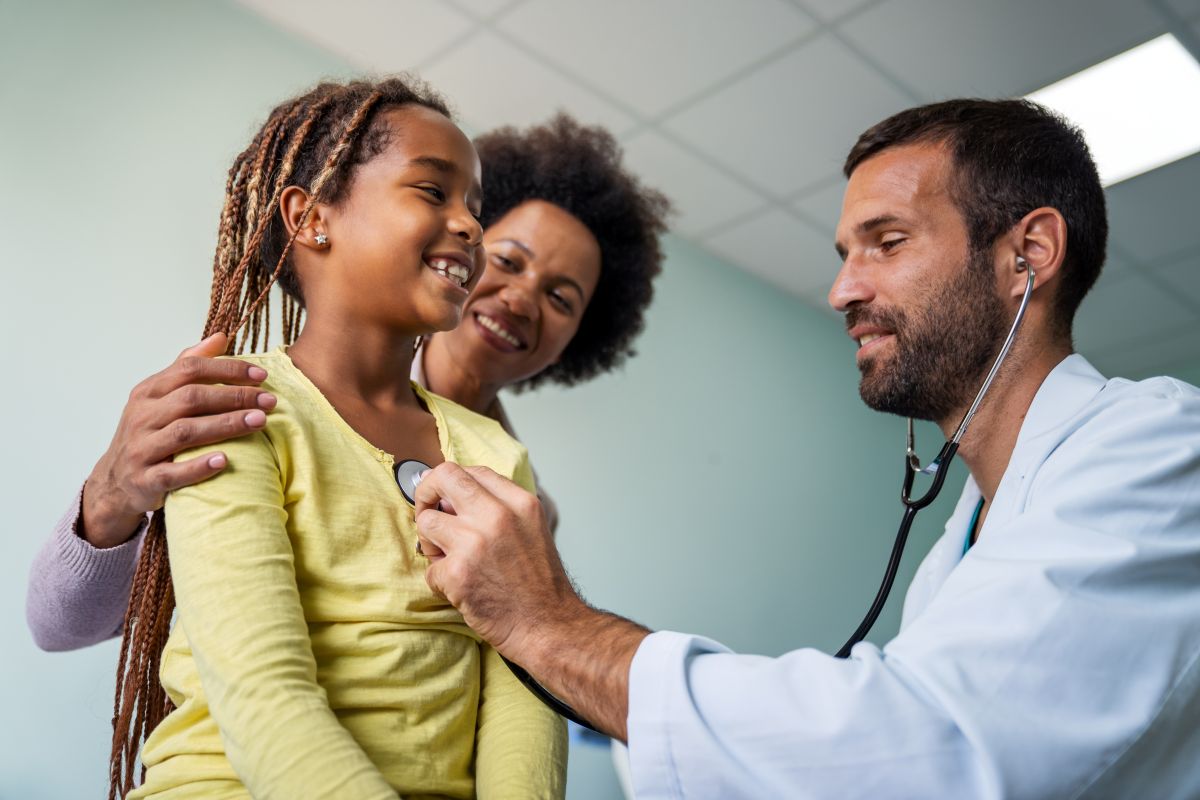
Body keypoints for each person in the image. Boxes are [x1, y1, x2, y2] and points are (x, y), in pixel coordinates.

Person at [409, 98, 1200, 798]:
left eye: (885, 243)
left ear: (1028, 254)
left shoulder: (1155, 447)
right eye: (843, 255)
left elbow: (912, 750)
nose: (842, 293)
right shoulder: (957, 551)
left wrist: (551, 626)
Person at [25, 114, 668, 654]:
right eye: (507, 260)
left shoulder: (521, 504)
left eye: (561, 297)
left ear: (581, 338)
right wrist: (109, 497)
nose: (523, 298)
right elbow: (60, 630)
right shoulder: (252, 407)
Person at [107, 76, 573, 800]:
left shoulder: (497, 459)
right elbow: (263, 694)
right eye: (433, 191)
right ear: (312, 218)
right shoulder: (229, 409)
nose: (470, 226)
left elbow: (523, 698)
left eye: (475, 208)